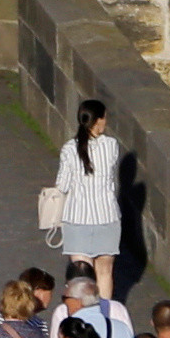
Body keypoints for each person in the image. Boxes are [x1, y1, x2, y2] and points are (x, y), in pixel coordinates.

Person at [56, 100, 129, 297]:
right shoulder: (111, 145)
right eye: (104, 118)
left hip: (77, 219)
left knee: (81, 277)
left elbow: (62, 185)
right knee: (105, 273)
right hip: (107, 216)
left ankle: (82, 318)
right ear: (98, 121)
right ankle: (104, 317)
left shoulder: (69, 149)